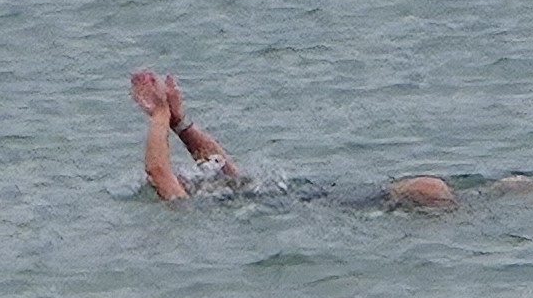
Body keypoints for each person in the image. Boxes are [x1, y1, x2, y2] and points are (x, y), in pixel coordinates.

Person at [130, 70, 460, 208]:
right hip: (319, 200)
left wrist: (160, 116)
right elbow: (223, 168)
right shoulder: (240, 196)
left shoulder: (200, 208)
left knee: (430, 189)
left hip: (316, 205)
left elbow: (159, 173)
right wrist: (179, 123)